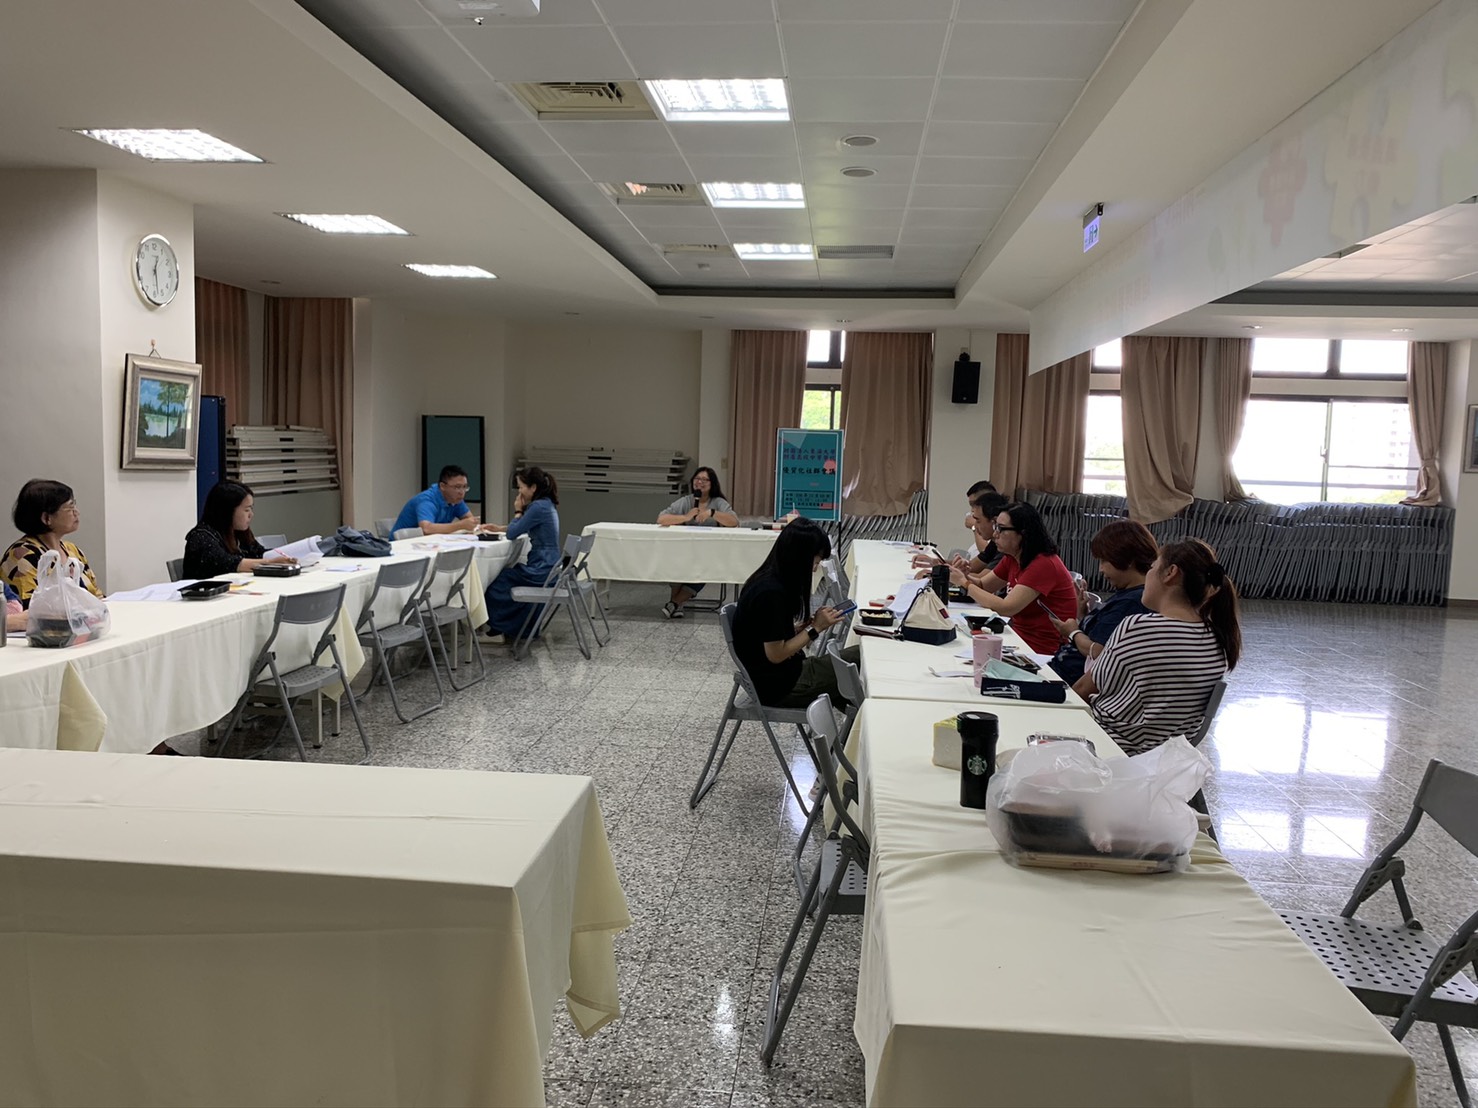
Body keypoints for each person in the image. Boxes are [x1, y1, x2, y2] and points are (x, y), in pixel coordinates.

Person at [1077, 539, 1242, 755]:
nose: (1147, 575)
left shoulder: (1138, 626)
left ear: (1170, 573)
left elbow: (1084, 689)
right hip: (1166, 760)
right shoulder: (1218, 637)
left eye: (1152, 567)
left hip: (1108, 749)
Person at [732, 517, 859, 708]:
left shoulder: (766, 580)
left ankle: (855, 722)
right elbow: (776, 655)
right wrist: (815, 628)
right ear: (798, 557)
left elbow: (766, 636)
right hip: (782, 686)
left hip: (779, 677)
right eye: (814, 562)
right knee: (859, 662)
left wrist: (798, 629)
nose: (814, 569)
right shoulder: (771, 594)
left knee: (853, 669)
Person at [944, 501, 1076, 655]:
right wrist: (963, 575)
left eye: (1001, 529)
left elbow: (1006, 608)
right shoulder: (1013, 557)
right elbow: (983, 585)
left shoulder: (1043, 564)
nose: (995, 534)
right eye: (995, 526)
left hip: (1042, 650)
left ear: (1023, 533)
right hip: (1018, 638)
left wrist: (965, 583)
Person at [1043, 519, 1155, 685]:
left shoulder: (1132, 602)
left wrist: (1073, 632)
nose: (1100, 569)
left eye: (1104, 561)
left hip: (1067, 682)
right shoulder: (1127, 594)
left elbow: (1099, 652)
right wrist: (1083, 615)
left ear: (1127, 559)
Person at [481, 466, 562, 644]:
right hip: (550, 567)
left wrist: (518, 510)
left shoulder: (537, 507)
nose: (519, 492)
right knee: (509, 575)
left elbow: (513, 533)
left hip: (541, 568)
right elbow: (522, 527)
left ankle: (497, 629)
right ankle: (515, 627)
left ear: (533, 488)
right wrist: (499, 528)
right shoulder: (546, 504)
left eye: (521, 487)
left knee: (498, 581)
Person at [2, 479, 104, 606]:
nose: (77, 512)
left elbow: (97, 596)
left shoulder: (72, 550)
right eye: (70, 508)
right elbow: (31, 609)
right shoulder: (22, 556)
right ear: (46, 518)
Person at [657, 465, 739, 619]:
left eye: (704, 480)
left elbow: (734, 521)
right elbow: (661, 518)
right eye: (697, 479)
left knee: (705, 569)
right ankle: (677, 604)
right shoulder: (686, 501)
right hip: (686, 550)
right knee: (675, 562)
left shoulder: (718, 502)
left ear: (712, 484)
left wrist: (712, 513)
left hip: (709, 553)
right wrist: (685, 517)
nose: (700, 482)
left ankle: (675, 603)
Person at [183, 482, 297, 579]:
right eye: (246, 510)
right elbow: (229, 563)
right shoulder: (201, 537)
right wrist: (271, 563)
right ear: (227, 511)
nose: (251, 515)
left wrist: (288, 556)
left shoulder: (239, 533)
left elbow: (259, 553)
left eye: (251, 508)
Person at [392, 465, 479, 536]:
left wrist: (479, 527)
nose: (462, 492)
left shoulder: (455, 500)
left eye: (464, 487)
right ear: (442, 486)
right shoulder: (426, 500)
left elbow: (470, 520)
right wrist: (460, 525)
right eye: (457, 487)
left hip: (430, 543)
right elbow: (426, 529)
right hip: (402, 545)